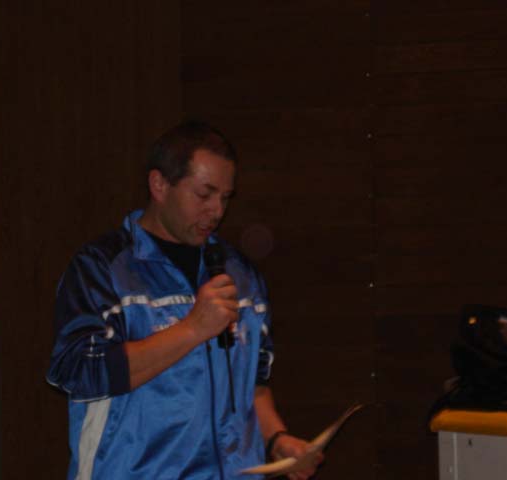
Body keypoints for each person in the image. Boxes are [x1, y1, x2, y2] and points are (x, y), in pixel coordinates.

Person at [47, 121, 321, 479]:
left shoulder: (240, 274)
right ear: (159, 185)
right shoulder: (102, 269)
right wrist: (192, 329)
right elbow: (80, 372)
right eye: (204, 195)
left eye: (225, 197)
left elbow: (253, 386)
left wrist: (277, 439)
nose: (217, 211)